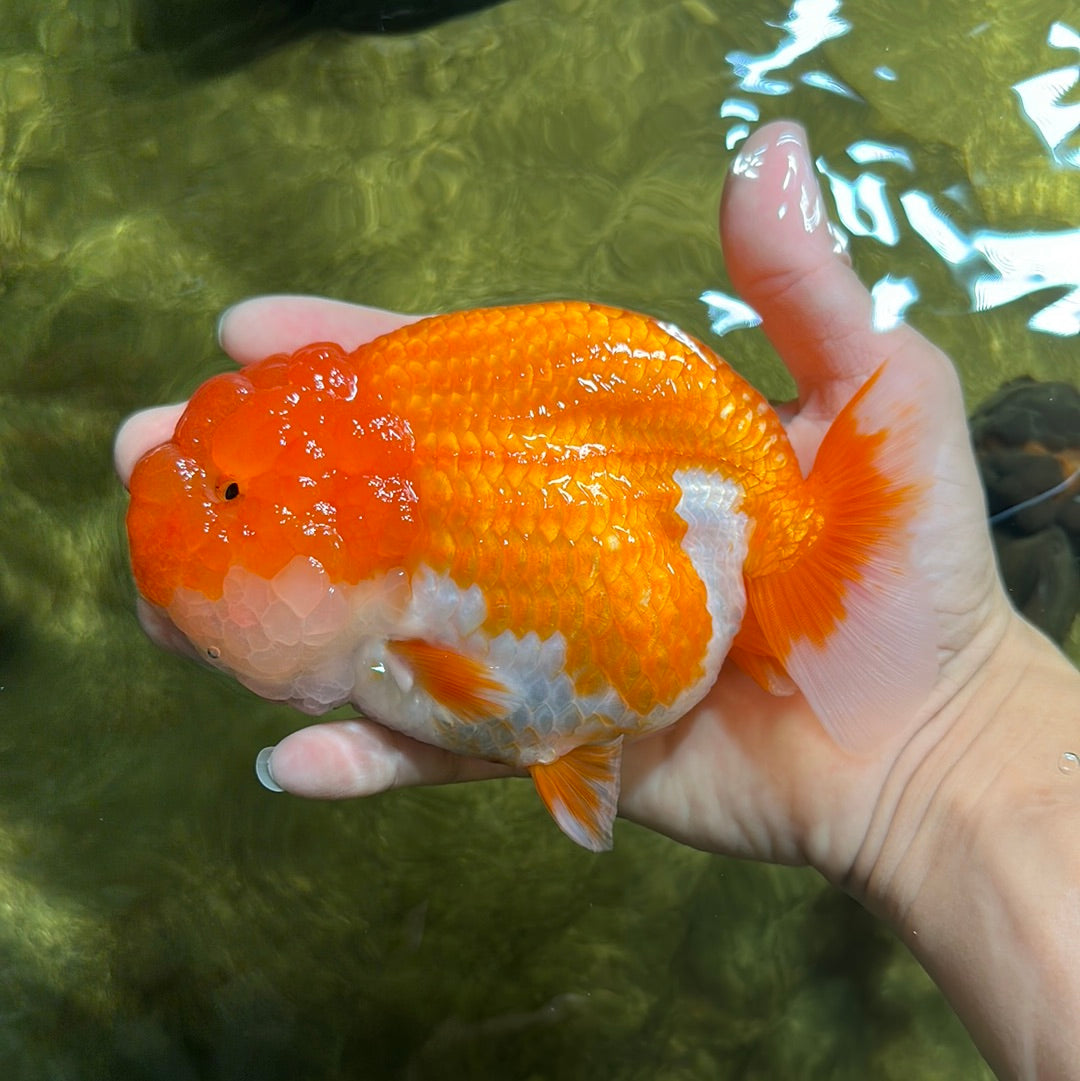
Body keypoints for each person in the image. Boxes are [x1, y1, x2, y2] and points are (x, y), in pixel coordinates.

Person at [114, 121, 1080, 1080]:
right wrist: (951, 756)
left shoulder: (398, 597)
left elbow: (471, 682)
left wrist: (947, 727)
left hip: (704, 524)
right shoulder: (381, 591)